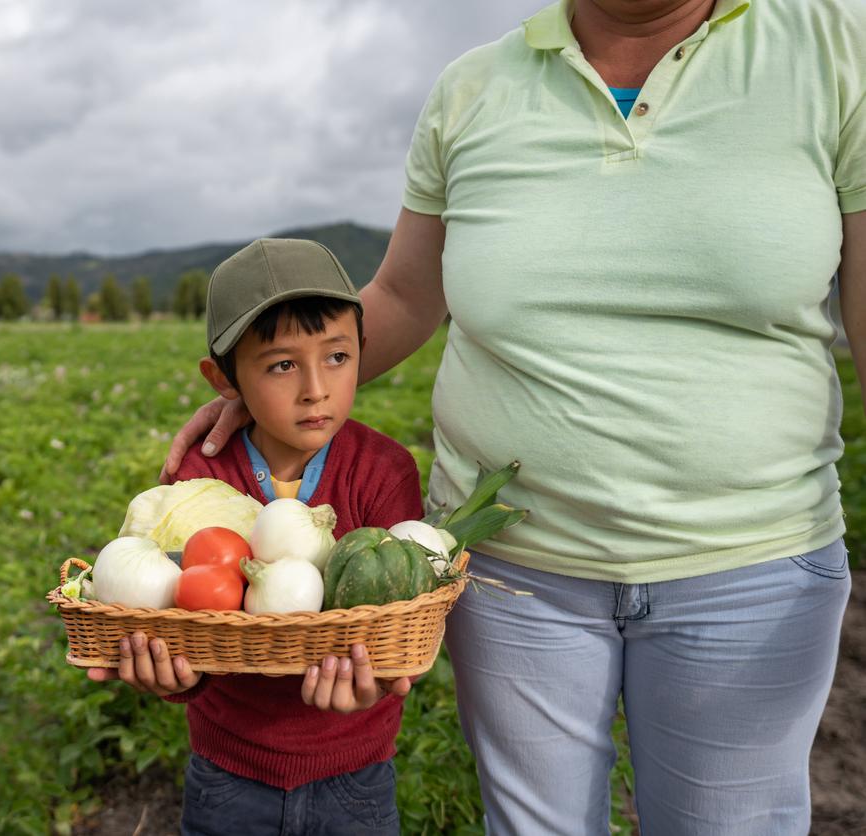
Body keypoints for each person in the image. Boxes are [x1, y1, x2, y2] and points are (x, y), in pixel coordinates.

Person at [162, 0, 866, 833]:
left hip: (749, 566)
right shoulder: (473, 89)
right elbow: (401, 296)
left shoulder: (834, 45)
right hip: (513, 576)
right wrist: (263, 392)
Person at [89, 237, 428, 835]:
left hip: (356, 774)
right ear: (223, 379)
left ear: (363, 353)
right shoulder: (203, 476)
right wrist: (176, 677)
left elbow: (399, 624)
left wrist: (376, 688)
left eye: (337, 357)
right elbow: (183, 609)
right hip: (228, 773)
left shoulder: (383, 470)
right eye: (280, 365)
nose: (315, 388)